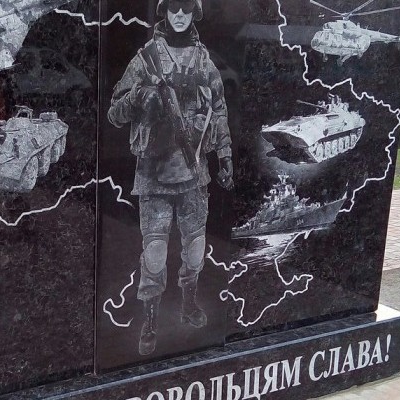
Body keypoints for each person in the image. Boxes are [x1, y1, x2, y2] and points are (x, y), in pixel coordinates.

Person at [108, 0, 234, 355]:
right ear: (165, 11)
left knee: (195, 249)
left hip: (194, 172)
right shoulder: (146, 58)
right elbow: (115, 112)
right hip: (154, 174)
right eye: (174, 8)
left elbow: (219, 110)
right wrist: (140, 98)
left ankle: (189, 305)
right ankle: (149, 321)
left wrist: (225, 156)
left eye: (186, 8)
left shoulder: (204, 60)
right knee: (155, 252)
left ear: (194, 13)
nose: (179, 15)